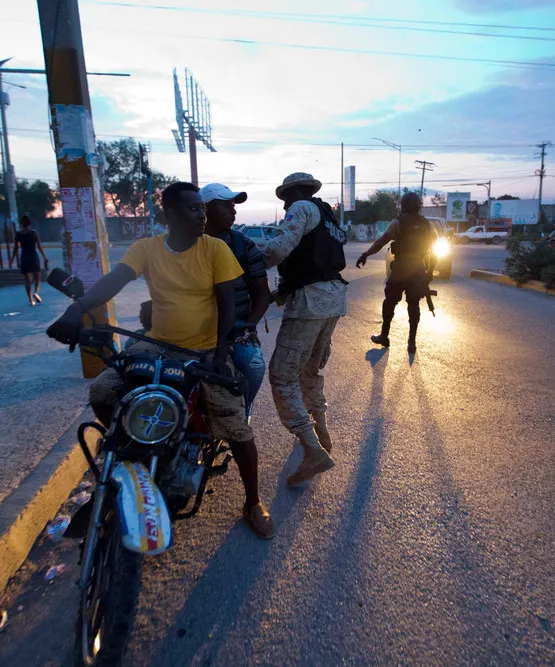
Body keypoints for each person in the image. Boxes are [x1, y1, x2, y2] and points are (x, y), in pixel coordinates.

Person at [46, 182, 274, 539]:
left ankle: (253, 501)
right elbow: (114, 281)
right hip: (155, 345)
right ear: (170, 215)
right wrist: (76, 311)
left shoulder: (215, 248)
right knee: (103, 392)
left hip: (203, 350)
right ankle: (126, 458)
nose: (201, 215)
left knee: (237, 429)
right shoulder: (146, 248)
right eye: (193, 209)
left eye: (202, 208)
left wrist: (219, 354)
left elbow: (227, 304)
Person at [261, 172, 346, 487]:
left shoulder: (301, 208)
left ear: (295, 191)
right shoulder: (326, 215)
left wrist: (245, 263)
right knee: (309, 372)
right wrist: (275, 294)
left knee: (282, 376)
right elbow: (312, 264)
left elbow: (278, 249)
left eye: (285, 197)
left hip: (310, 303)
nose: (284, 205)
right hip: (332, 300)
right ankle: (321, 432)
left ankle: (312, 450)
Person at [199, 183, 271, 421]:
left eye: (233, 205)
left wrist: (250, 324)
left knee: (254, 366)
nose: (233, 211)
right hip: (194, 329)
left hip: (236, 328)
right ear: (205, 208)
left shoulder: (242, 244)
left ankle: (242, 414)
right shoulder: (189, 244)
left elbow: (262, 292)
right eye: (226, 205)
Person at [355, 192, 435, 354]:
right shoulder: (428, 225)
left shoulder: (398, 223)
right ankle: (412, 343)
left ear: (403, 206)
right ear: (419, 206)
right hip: (418, 270)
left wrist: (365, 254)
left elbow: (381, 242)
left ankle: (384, 336)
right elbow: (433, 251)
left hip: (400, 270)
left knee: (389, 303)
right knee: (414, 306)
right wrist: (429, 273)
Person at [11, 215, 49, 306]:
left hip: (24, 257)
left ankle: (31, 300)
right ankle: (36, 292)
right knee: (38, 276)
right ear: (29, 224)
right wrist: (44, 257)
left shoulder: (18, 234)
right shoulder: (34, 233)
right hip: (33, 256)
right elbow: (39, 247)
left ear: (21, 224)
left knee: (27, 280)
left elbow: (16, 248)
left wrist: (12, 259)